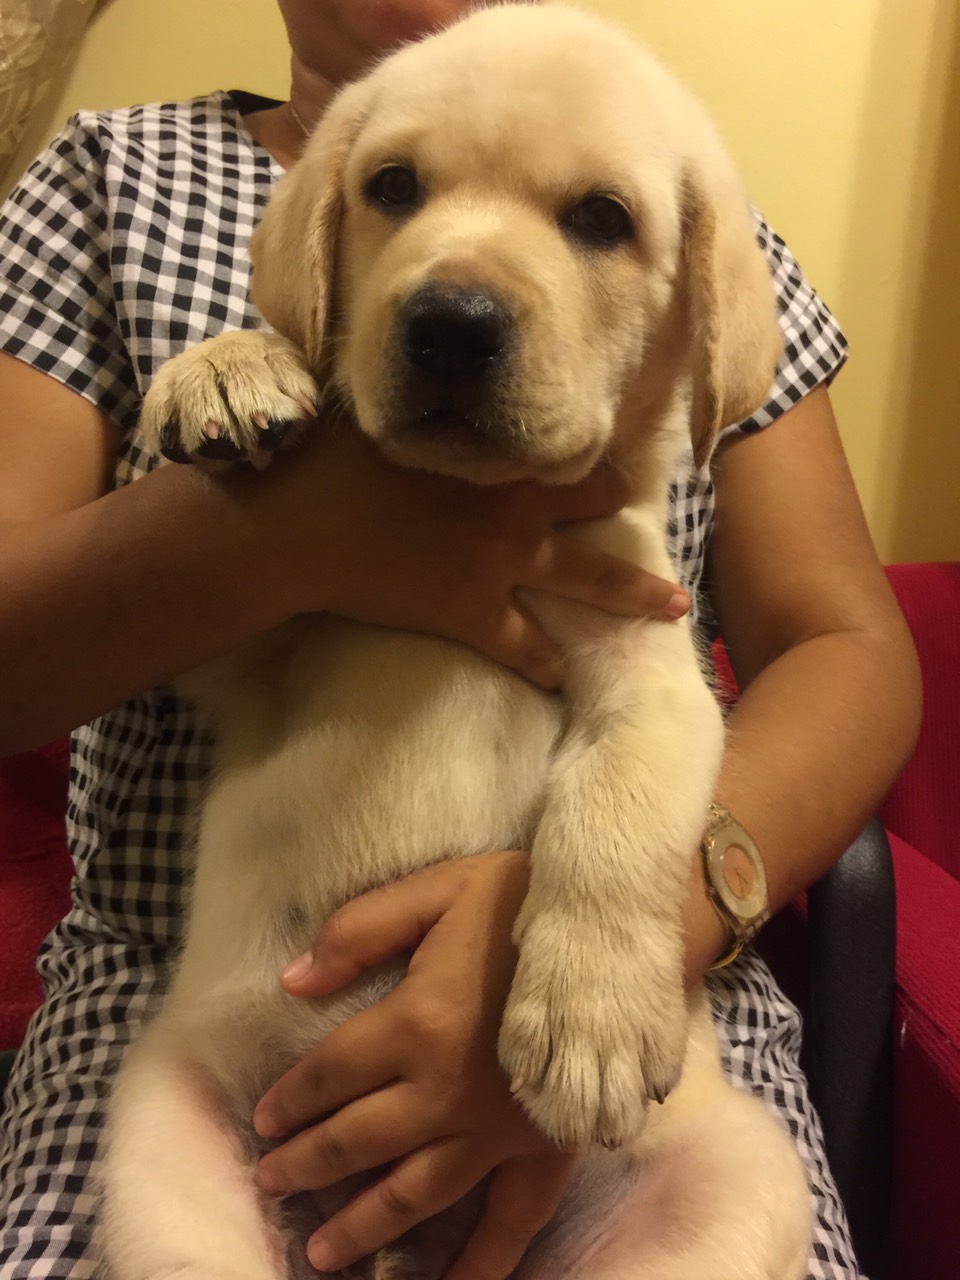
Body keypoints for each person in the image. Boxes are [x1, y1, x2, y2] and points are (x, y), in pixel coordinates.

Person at [0, 2, 920, 1278]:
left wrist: (637, 922)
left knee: (735, 1196)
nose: (458, 297)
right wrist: (269, 531)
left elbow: (845, 645)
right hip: (209, 1040)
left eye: (595, 217)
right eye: (397, 189)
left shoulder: (677, 166)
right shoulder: (115, 181)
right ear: (320, 239)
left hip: (618, 1034)